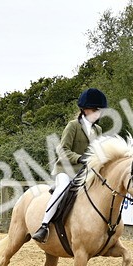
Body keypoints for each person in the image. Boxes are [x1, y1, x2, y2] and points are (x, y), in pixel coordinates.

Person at [30, 88, 107, 242]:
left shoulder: (98, 130)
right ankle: (44, 226)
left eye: (99, 110)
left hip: (86, 173)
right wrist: (79, 158)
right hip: (66, 170)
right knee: (62, 189)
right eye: (95, 110)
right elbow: (62, 150)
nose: (98, 113)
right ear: (85, 110)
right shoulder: (73, 126)